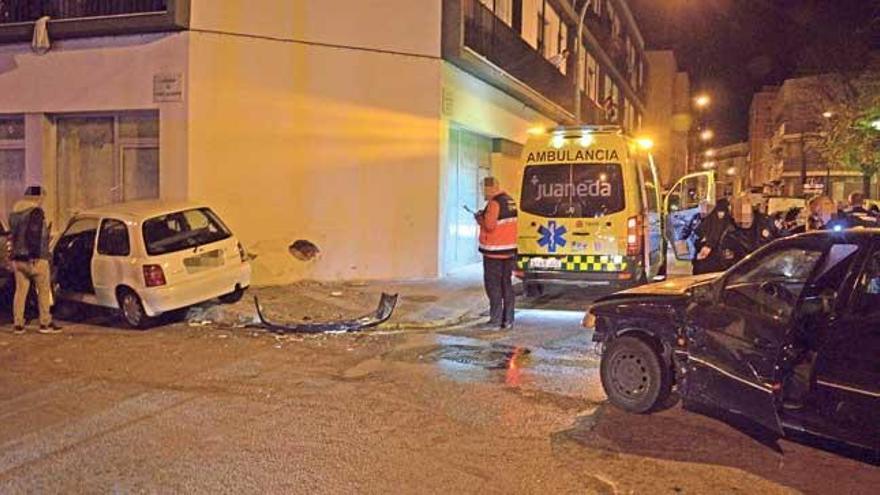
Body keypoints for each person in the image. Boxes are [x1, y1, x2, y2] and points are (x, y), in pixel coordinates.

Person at [8, 186, 61, 334]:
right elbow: (35, 235)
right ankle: (45, 323)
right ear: (36, 198)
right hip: (35, 258)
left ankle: (18, 324)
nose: (42, 201)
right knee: (43, 291)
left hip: (18, 259)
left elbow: (14, 236)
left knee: (20, 292)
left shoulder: (14, 213)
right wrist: (34, 254)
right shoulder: (35, 212)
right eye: (42, 197)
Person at [694, 195, 778, 273]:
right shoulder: (729, 234)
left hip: (772, 269)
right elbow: (729, 263)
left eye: (747, 221)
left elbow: (785, 240)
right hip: (748, 274)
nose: (743, 224)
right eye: (740, 223)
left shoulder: (768, 223)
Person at [475, 177, 518, 329]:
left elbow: (490, 226)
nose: (483, 192)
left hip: (494, 252)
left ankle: (495, 320)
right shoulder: (510, 200)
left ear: (490, 188)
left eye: (483, 189)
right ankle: (508, 320)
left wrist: (480, 218)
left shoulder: (494, 203)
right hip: (509, 251)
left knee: (493, 287)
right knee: (506, 285)